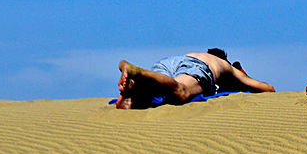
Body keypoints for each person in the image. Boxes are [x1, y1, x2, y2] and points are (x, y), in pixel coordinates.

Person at [116, 50, 275, 109]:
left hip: (169, 62)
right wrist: (240, 77)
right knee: (181, 91)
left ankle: (137, 84)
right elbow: (267, 88)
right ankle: (138, 74)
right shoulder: (226, 67)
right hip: (196, 66)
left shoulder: (198, 53)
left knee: (156, 91)